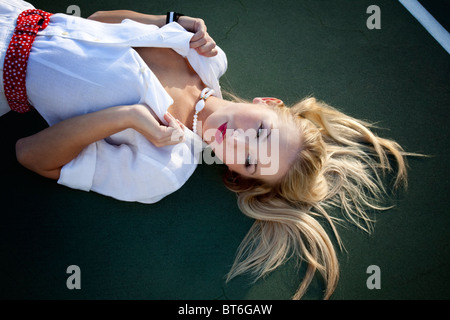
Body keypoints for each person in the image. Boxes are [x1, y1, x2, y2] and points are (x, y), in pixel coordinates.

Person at [1, 0, 411, 299]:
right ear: (267, 103)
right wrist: (170, 20)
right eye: (262, 132)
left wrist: (125, 117)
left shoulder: (164, 167)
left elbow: (30, 155)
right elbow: (94, 23)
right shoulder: (207, 57)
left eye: (251, 159)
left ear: (238, 174)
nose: (238, 141)